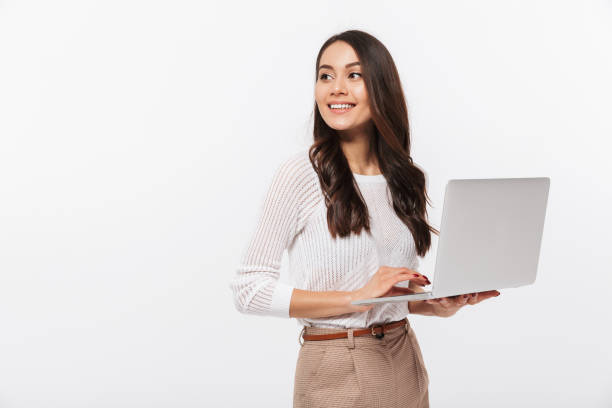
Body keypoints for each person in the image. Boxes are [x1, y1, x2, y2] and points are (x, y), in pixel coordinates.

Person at [229, 29, 500, 408]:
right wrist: (356, 298)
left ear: (382, 86)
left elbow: (390, 297)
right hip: (336, 365)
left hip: (404, 358)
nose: (336, 88)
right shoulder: (302, 174)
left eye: (353, 75)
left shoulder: (404, 178)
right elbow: (249, 290)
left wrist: (433, 302)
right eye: (326, 75)